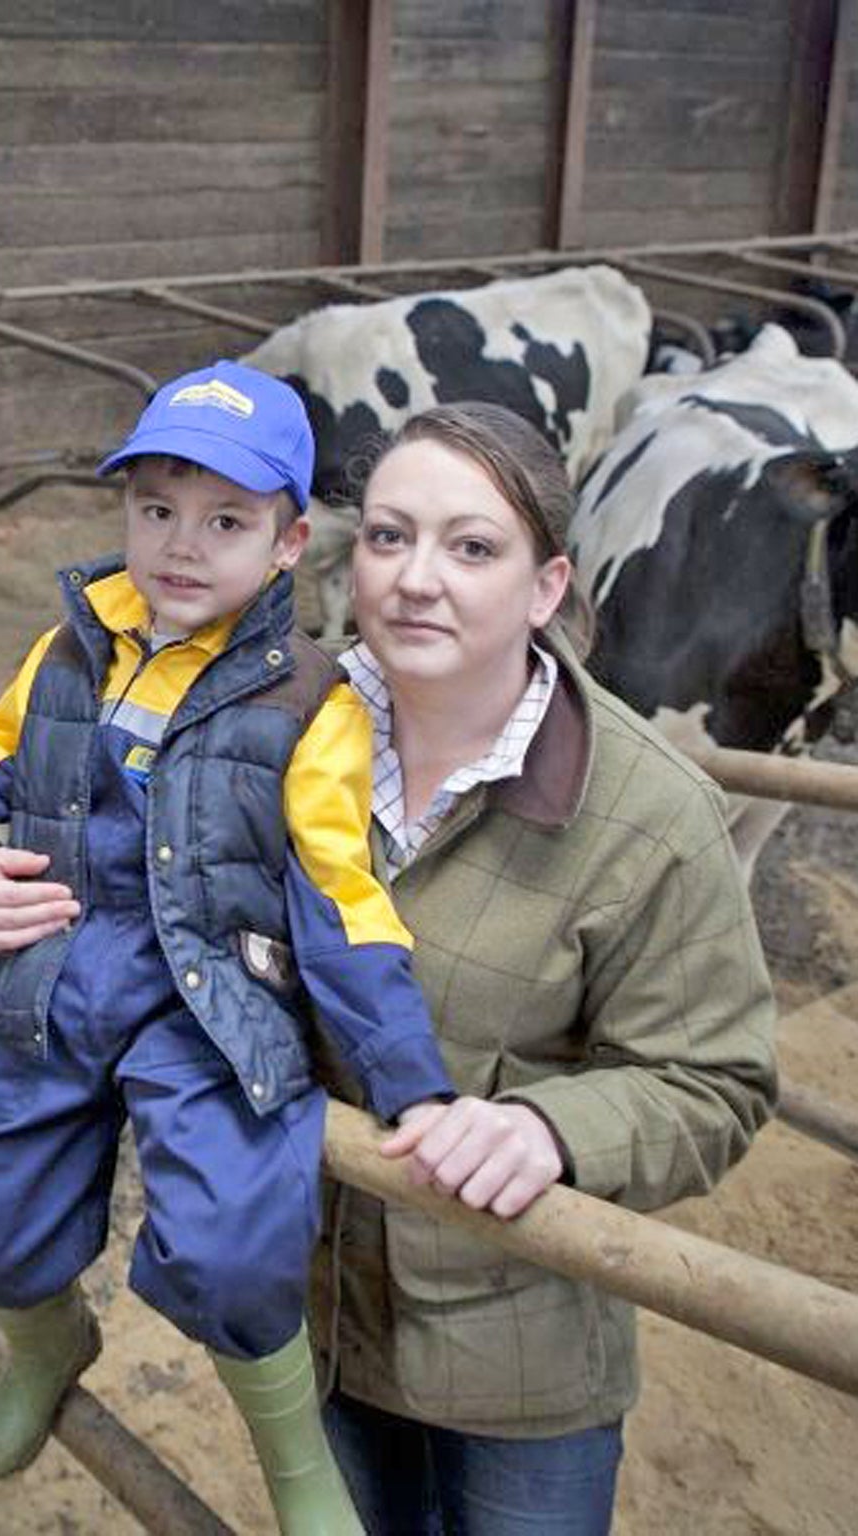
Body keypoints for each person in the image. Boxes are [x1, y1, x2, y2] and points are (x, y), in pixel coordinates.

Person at [0, 360, 461, 1536]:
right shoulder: (72, 645)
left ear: (290, 543)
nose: (180, 546)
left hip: (212, 1007)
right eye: (155, 509)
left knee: (233, 1253)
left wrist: (411, 1082)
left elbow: (342, 898)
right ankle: (45, 1348)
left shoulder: (313, 704)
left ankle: (296, 1465)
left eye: (225, 521)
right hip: (56, 972)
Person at [298, 401, 778, 1534]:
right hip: (312, 1314)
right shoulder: (279, 732)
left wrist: (551, 1130)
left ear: (547, 586)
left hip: (517, 1356)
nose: (416, 579)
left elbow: (713, 1083)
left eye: (470, 547)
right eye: (386, 536)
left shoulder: (648, 814)